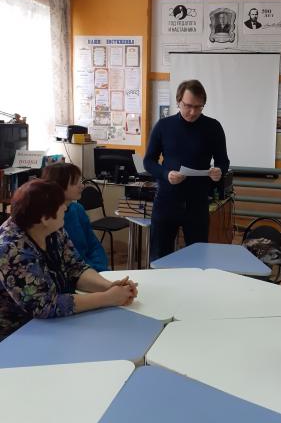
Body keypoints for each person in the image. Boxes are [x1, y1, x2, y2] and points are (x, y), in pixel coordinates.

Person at [0, 179, 137, 340]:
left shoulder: (53, 229)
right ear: (44, 217)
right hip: (18, 334)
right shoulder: (11, 249)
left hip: (56, 321)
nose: (66, 208)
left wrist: (109, 287)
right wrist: (108, 298)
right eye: (61, 205)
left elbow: (76, 268)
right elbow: (45, 305)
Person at [144, 79, 229, 261]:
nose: (192, 112)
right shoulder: (163, 126)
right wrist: (166, 174)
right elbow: (148, 161)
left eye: (198, 107)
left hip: (197, 204)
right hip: (166, 202)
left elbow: (223, 160)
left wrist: (219, 170)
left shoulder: (213, 127)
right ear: (178, 101)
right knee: (159, 257)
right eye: (188, 106)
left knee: (197, 258)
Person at [41, 162, 108, 272]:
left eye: (80, 181)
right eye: (75, 183)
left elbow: (93, 244)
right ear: (59, 186)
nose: (82, 186)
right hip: (72, 274)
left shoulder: (78, 209)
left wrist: (100, 269)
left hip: (89, 270)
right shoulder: (49, 219)